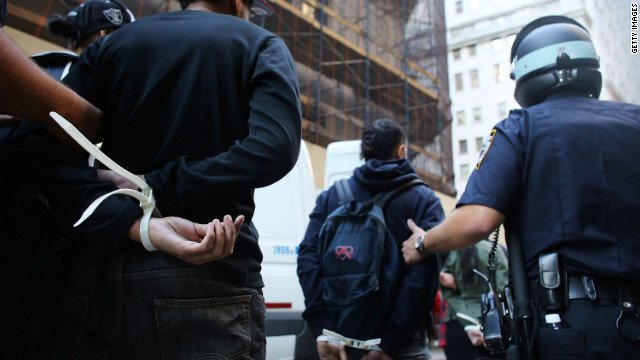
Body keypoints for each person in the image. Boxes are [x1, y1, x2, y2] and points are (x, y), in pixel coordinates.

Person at [12, 0, 301, 358]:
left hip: (95, 275)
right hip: (208, 274)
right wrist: (158, 182)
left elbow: (29, 143)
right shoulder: (260, 43)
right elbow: (274, 148)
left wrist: (121, 196)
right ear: (238, 3)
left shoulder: (112, 44)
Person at [402, 15, 640, 360]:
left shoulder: (520, 127)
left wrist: (423, 243)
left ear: (525, 73)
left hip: (567, 327)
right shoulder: (635, 120)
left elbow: (476, 221)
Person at [298, 119, 445, 360]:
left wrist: (322, 329)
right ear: (401, 151)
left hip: (341, 342)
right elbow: (424, 278)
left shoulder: (332, 197)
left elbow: (307, 258)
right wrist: (390, 343)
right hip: (402, 348)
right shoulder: (424, 200)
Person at [439, 239, 508, 360]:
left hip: (458, 321)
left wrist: (466, 318)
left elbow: (446, 289)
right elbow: (504, 290)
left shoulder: (451, 253)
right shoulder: (496, 251)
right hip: (492, 324)